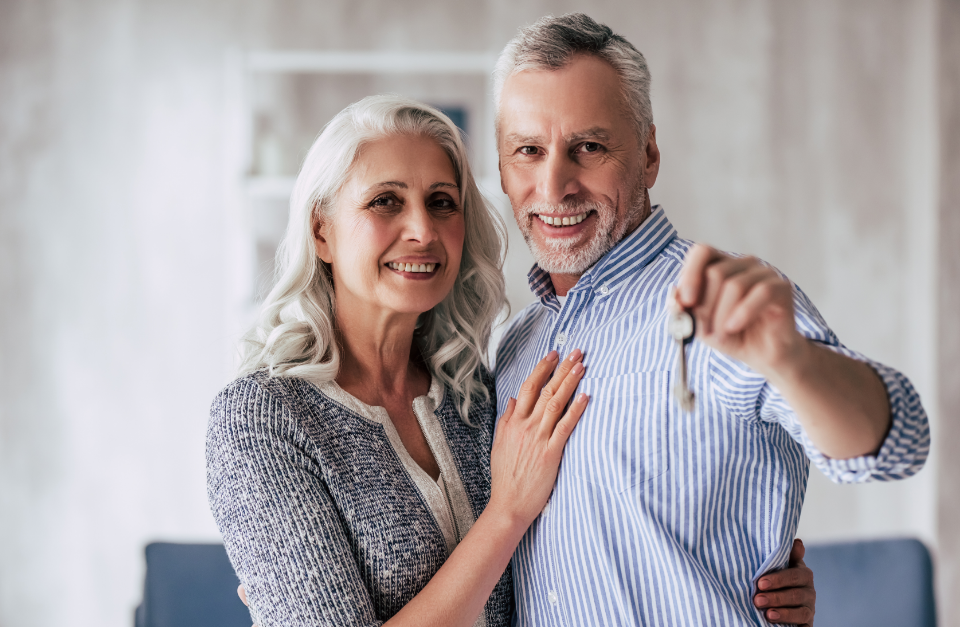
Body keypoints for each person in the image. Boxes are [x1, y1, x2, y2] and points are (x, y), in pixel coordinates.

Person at [208, 96, 816, 627]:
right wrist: (505, 514)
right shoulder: (262, 418)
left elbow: (586, 531)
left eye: (442, 202)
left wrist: (743, 572)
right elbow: (515, 518)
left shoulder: (478, 395)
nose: (421, 229)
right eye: (385, 202)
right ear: (321, 231)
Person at [491, 13, 930, 627]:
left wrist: (793, 361)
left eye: (588, 147)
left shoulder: (723, 309)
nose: (554, 184)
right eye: (528, 151)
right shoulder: (513, 349)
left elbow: (897, 446)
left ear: (648, 154)